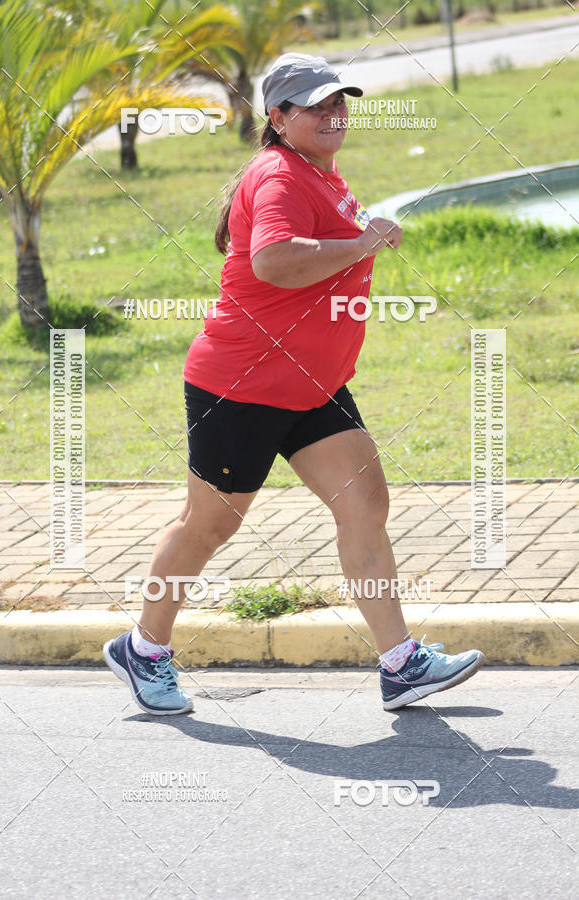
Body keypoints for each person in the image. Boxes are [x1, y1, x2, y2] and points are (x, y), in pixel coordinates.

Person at [103, 53, 484, 715]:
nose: (334, 113)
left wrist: (356, 247)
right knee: (206, 529)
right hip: (243, 388)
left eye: (340, 100)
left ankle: (401, 664)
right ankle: (142, 650)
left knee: (365, 504)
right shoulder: (278, 176)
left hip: (314, 386)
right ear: (278, 118)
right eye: (315, 104)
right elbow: (274, 261)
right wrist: (363, 245)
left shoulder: (320, 171)